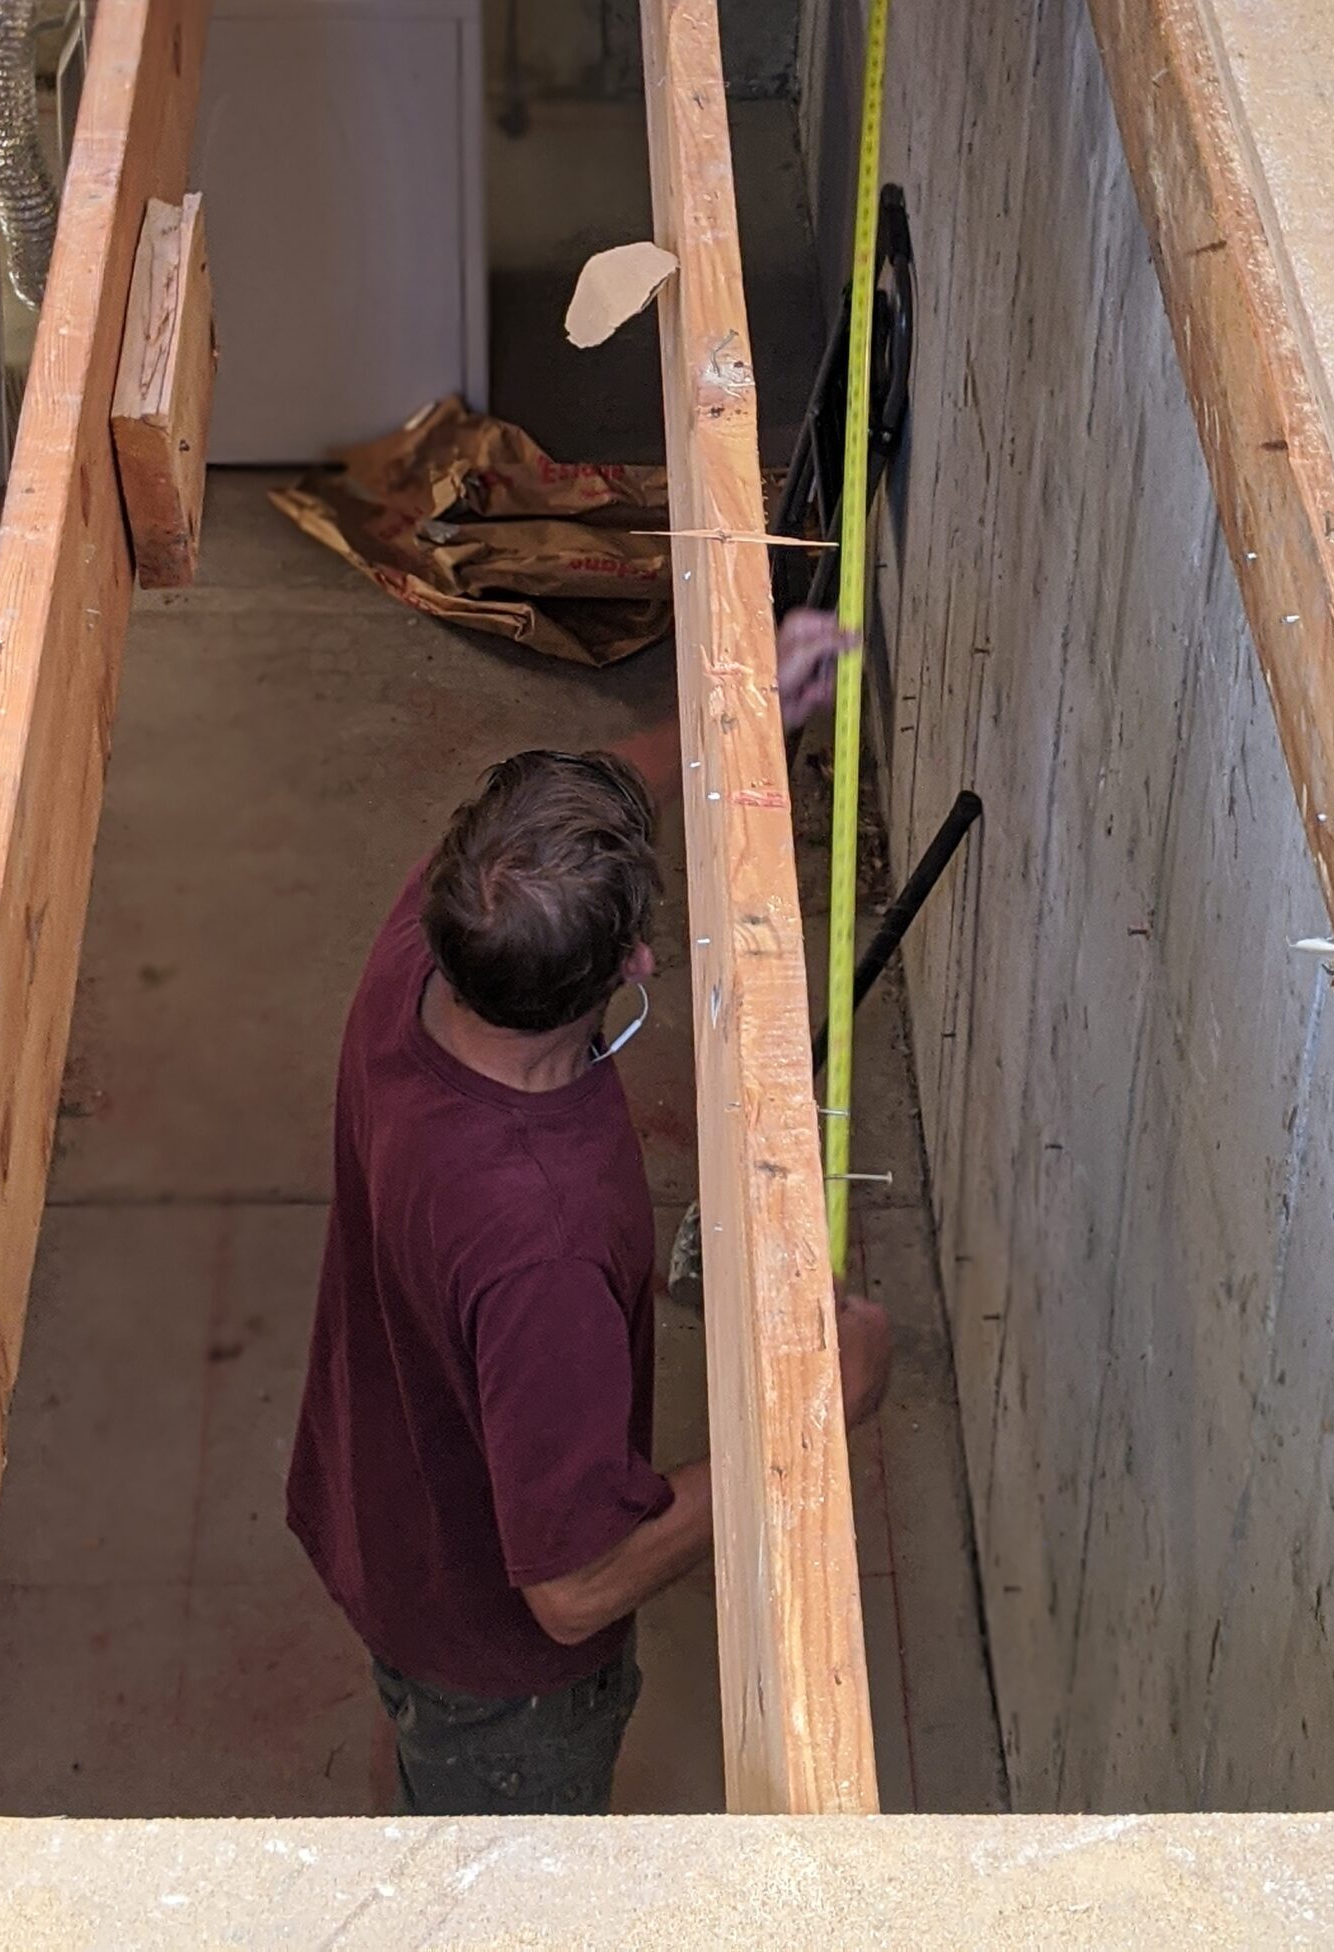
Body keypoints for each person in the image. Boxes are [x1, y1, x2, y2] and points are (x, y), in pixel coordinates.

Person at [286, 609, 891, 1816]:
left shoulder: (436, 938)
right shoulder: (539, 1237)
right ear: (633, 969)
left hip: (385, 1516)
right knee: (497, 1880)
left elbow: (583, 806)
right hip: (497, 1682)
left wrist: (737, 718)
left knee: (426, 1785)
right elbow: (571, 1587)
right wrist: (813, 1413)